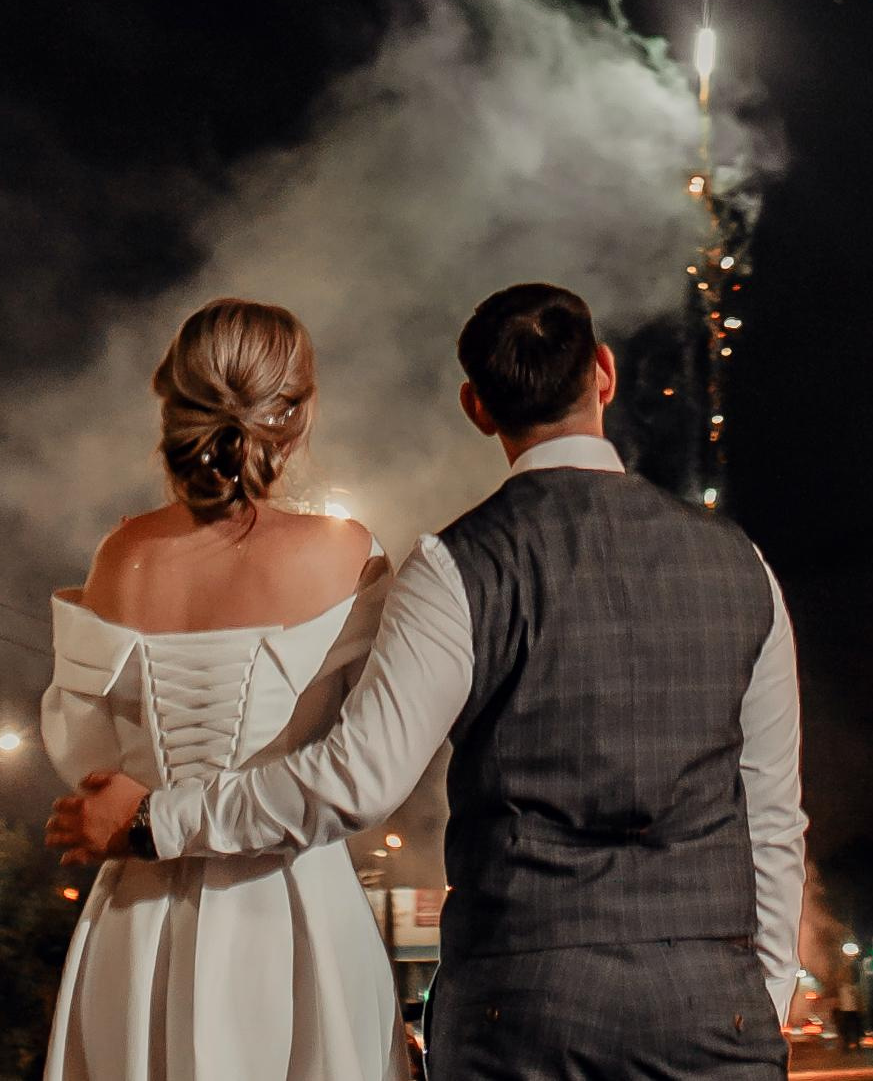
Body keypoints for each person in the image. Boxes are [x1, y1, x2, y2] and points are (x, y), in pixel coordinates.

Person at [52, 280, 806, 1081]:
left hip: (514, 1008)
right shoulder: (743, 568)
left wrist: (153, 820)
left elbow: (354, 775)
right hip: (704, 1005)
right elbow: (771, 816)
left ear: (476, 406)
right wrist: (762, 994)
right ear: (605, 374)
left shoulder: (456, 567)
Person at [39, 294, 406, 1081]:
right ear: (297, 416)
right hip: (296, 914)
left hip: (140, 928)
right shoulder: (347, 555)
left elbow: (89, 761)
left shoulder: (119, 557)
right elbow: (373, 762)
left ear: (170, 404)